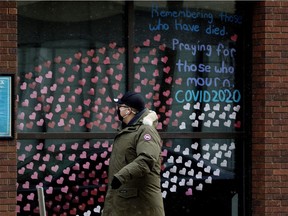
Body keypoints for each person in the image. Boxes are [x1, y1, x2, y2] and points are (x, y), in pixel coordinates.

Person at [102, 91, 165, 216]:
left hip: (140, 204)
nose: (118, 110)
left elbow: (147, 159)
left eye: (121, 107)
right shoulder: (128, 130)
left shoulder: (145, 130)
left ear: (129, 110)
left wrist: (121, 176)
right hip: (126, 202)